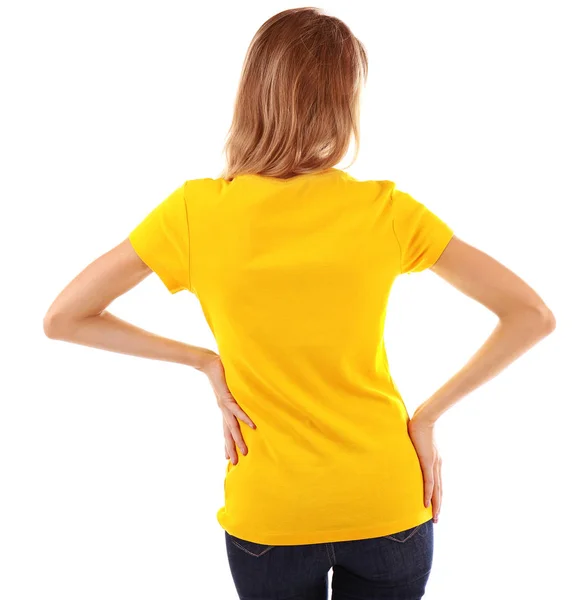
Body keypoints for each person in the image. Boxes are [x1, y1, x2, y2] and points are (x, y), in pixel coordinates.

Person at [43, 7, 556, 600]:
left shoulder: (195, 214)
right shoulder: (385, 212)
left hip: (271, 515)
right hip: (387, 499)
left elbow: (64, 317)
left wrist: (203, 360)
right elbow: (532, 315)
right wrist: (427, 417)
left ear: (253, 93)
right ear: (344, 104)